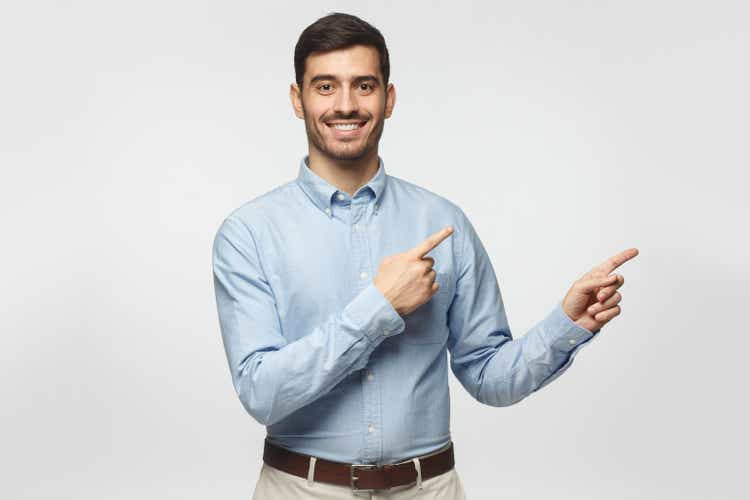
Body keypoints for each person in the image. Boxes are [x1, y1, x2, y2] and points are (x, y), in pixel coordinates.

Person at [211, 12, 638, 499]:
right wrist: (380, 306)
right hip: (300, 490)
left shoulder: (443, 223)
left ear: (388, 99)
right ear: (297, 99)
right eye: (325, 86)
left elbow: (489, 377)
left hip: (428, 490)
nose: (345, 104)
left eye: (364, 85)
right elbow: (262, 393)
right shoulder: (248, 234)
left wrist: (566, 324)